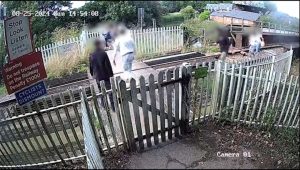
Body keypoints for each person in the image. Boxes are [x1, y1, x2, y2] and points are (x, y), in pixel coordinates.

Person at [89, 39, 115, 112]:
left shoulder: (91, 55)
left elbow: (91, 67)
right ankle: (113, 107)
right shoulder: (103, 53)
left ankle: (104, 106)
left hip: (97, 77)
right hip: (105, 76)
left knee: (101, 91)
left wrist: (93, 75)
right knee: (110, 91)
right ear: (99, 45)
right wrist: (111, 74)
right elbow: (108, 65)